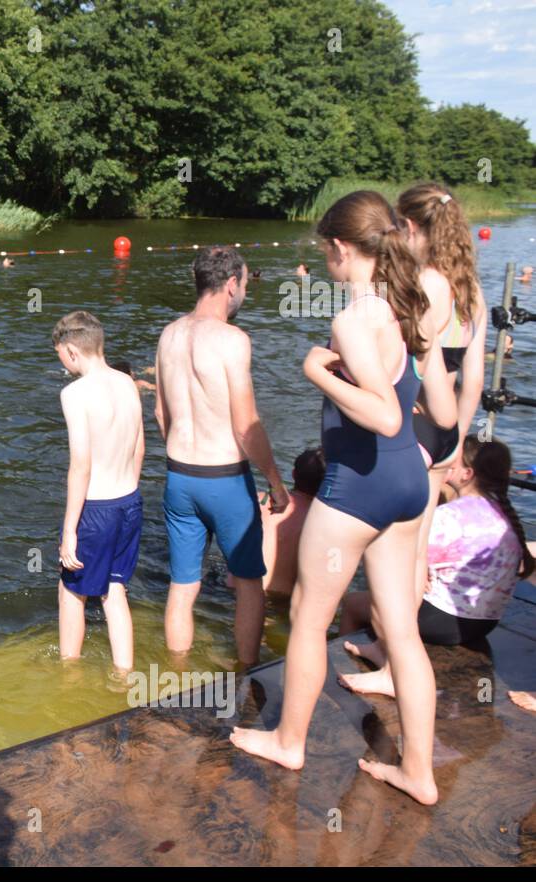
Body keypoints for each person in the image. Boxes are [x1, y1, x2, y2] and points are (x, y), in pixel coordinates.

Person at [231, 190, 447, 805]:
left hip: (360, 486)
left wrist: (318, 372)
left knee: (307, 616)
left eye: (324, 247)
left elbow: (381, 414)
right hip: (408, 481)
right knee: (401, 631)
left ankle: (288, 741)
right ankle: (419, 775)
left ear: (340, 248)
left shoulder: (355, 319)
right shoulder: (404, 304)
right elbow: (409, 399)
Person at [154, 246, 288, 665]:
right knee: (249, 584)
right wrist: (275, 481)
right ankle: (248, 674)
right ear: (231, 285)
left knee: (182, 585)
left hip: (179, 477)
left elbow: (161, 412)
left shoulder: (168, 334)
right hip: (225, 480)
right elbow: (246, 424)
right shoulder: (233, 340)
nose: (244, 291)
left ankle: (175, 677)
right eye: (245, 284)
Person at [338, 436, 534, 694]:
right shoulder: (505, 517)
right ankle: (379, 649)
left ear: (467, 473)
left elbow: (395, 561)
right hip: (483, 624)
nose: (447, 464)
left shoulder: (449, 517)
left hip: (441, 623)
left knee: (355, 601)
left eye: (454, 461)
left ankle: (359, 669)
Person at [398, 184, 486, 599]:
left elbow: (408, 361)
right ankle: (400, 647)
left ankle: (392, 650)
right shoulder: (471, 291)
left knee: (396, 549)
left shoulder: (426, 283)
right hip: (446, 434)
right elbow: (475, 381)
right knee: (418, 548)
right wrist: (457, 442)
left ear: (413, 227)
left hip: (415, 426)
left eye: (400, 227)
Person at [52, 312, 144, 667]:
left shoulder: (75, 393)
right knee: (114, 590)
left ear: (72, 350)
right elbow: (138, 448)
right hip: (129, 502)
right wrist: (129, 492)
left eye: (59, 352)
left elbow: (81, 465)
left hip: (96, 510)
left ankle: (68, 676)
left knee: (72, 592)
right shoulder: (126, 383)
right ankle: (124, 676)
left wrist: (70, 531)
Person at [259, 448, 325, 597]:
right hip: (278, 599)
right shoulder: (321, 521)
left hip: (232, 588)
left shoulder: (258, 500)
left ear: (294, 474)